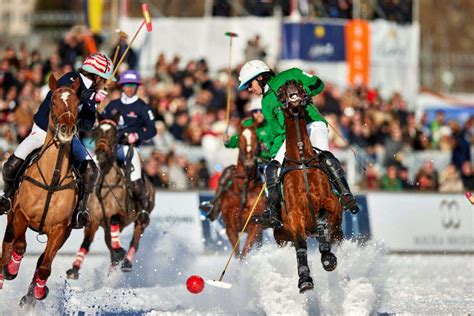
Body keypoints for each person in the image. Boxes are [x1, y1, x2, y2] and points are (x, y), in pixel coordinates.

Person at [237, 60, 359, 228]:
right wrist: (275, 156)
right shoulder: (265, 102)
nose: (249, 89)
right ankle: (273, 211)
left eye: (249, 84)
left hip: (312, 124)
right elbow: (277, 133)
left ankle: (346, 194)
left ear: (259, 77)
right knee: (271, 168)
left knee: (323, 155)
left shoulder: (291, 73)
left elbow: (319, 85)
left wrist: (305, 92)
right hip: (290, 135)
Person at [0, 53, 115, 228]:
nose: (104, 82)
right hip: (43, 131)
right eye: (104, 79)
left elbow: (87, 124)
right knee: (11, 165)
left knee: (92, 171)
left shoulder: (92, 94)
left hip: (68, 137)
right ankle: (7, 197)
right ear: (99, 76)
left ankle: (80, 211)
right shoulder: (71, 78)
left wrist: (93, 109)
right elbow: (65, 92)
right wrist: (91, 97)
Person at [200, 97, 273, 220]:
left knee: (272, 182)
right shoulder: (246, 124)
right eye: (255, 111)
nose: (258, 114)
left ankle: (271, 209)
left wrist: (267, 149)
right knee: (228, 172)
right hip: (248, 163)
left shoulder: (271, 126)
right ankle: (214, 205)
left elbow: (277, 143)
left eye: (261, 111)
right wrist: (228, 141)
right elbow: (236, 140)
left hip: (266, 162)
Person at [103, 69, 157, 214]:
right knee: (91, 171)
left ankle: (143, 209)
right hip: (111, 146)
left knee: (135, 180)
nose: (130, 88)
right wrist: (96, 101)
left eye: (133, 85)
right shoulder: (112, 105)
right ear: (122, 86)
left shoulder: (143, 107)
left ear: (137, 87)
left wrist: (137, 135)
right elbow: (101, 122)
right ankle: (83, 207)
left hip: (129, 148)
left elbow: (152, 130)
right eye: (127, 85)